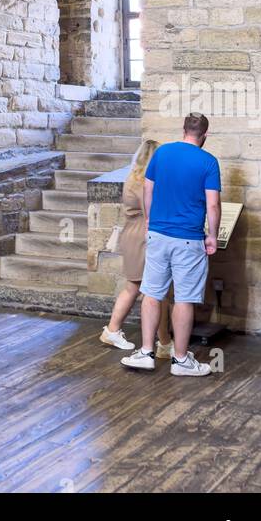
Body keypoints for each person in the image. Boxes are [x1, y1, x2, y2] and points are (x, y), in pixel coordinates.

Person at [121, 112, 221, 378]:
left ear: (183, 129)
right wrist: (212, 235)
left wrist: (152, 220)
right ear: (205, 135)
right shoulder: (208, 161)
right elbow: (212, 203)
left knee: (152, 292)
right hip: (189, 238)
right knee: (184, 298)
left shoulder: (162, 153)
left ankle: (145, 352)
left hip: (158, 234)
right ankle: (180, 360)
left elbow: (147, 190)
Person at [99, 139, 172, 357]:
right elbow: (152, 211)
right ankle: (163, 343)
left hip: (132, 235)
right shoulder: (143, 183)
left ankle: (162, 341)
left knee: (139, 288)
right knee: (153, 291)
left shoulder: (132, 178)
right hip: (142, 238)